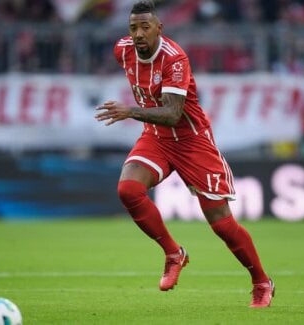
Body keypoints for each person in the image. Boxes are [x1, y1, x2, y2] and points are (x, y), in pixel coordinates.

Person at [95, 0, 274, 308]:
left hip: (192, 141)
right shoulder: (122, 50)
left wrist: (130, 111)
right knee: (128, 189)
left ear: (159, 28)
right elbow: (158, 117)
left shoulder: (174, 59)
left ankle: (261, 281)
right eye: (133, 28)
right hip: (157, 138)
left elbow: (174, 114)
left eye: (145, 27)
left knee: (221, 224)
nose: (138, 34)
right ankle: (173, 253)